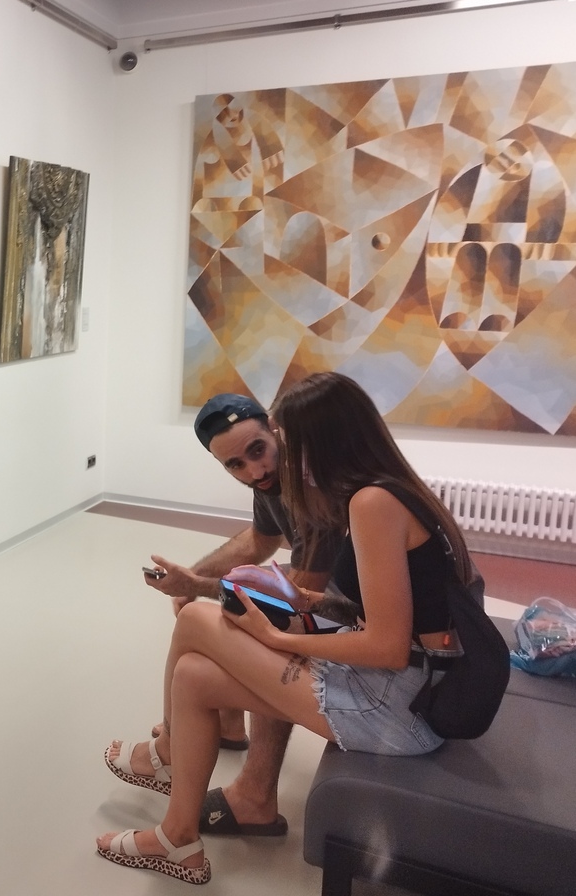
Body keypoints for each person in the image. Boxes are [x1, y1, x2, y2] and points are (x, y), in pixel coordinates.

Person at [96, 372, 476, 884]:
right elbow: (375, 612)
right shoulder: (382, 491)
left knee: (196, 619)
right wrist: (304, 601)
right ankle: (177, 838)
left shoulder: (370, 504)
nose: (278, 462)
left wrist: (278, 637)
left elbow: (387, 647)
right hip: (400, 690)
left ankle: (169, 757)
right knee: (193, 676)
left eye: (285, 443)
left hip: (395, 708)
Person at [137, 393, 335, 838]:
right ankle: (222, 724)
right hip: (336, 603)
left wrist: (201, 587)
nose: (255, 471)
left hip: (357, 619)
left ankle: (248, 791)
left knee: (243, 625)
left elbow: (298, 600)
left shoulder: (313, 487)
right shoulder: (274, 481)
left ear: (273, 428)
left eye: (257, 451)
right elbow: (260, 541)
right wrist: (195, 577)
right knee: (223, 614)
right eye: (235, 465)